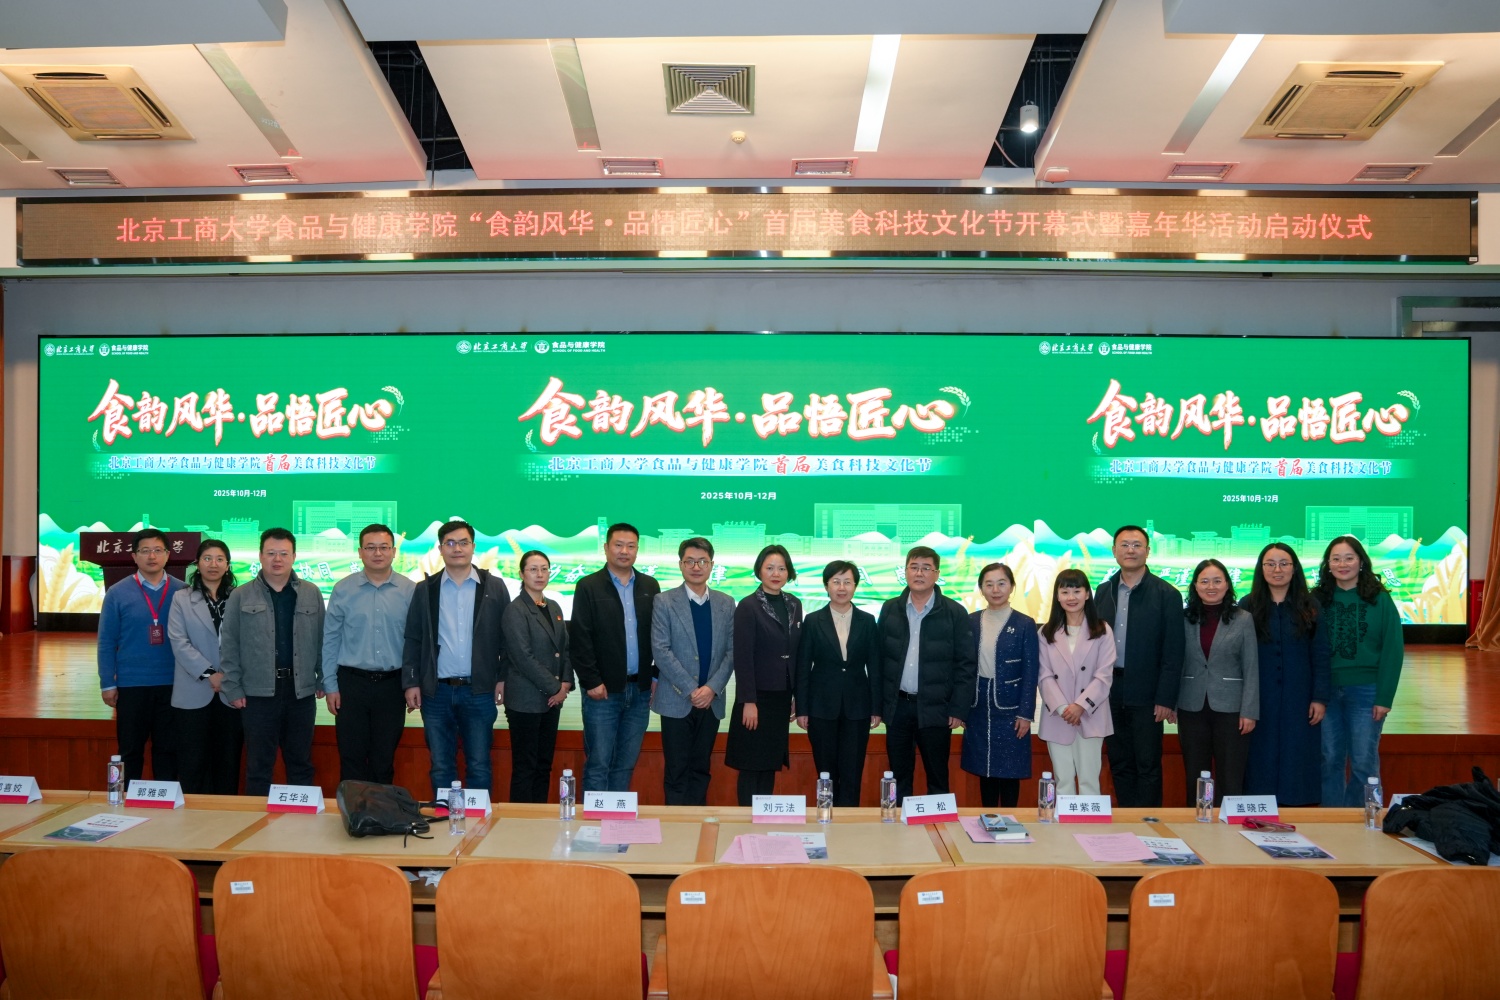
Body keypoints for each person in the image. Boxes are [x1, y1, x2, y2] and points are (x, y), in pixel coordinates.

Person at [402, 519, 509, 797]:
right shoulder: (425, 589)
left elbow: (507, 638)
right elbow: (413, 638)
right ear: (440, 549)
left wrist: (503, 677)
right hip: (436, 692)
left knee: (479, 764)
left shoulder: (494, 587)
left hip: (479, 691)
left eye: (463, 542)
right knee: (441, 765)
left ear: (473, 547)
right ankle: (444, 816)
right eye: (450, 543)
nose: (457, 548)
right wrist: (411, 682)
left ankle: (478, 819)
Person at [220, 528, 326, 797]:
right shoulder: (241, 595)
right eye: (271, 553)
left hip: (300, 692)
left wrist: (323, 677)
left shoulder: (311, 592)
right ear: (260, 556)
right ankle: (256, 822)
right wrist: (232, 687)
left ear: (294, 556)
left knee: (301, 763)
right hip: (257, 694)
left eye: (283, 553)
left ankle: (301, 819)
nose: (277, 559)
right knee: (258, 766)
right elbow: (229, 644)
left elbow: (322, 639)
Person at [1093, 525, 1185, 807]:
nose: (1130, 550)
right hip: (1110, 690)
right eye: (1124, 545)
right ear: (1114, 551)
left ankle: (1148, 823)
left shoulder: (1166, 594)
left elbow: (1174, 651)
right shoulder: (1103, 591)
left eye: (1136, 545)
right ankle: (1128, 821)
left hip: (1148, 693)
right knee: (1119, 762)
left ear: (1147, 551)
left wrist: (1166, 698)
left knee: (1148, 764)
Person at [878, 546, 976, 804]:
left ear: (937, 574)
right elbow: (879, 661)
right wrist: (879, 705)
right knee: (898, 776)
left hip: (937, 709)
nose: (919, 573)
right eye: (914, 567)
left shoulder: (955, 612)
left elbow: (966, 665)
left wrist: (958, 709)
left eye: (926, 568)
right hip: (898, 707)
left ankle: (937, 826)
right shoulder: (890, 609)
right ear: (905, 571)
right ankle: (898, 825)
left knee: (937, 776)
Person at [321, 524, 415, 785]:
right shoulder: (343, 589)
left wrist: (413, 682)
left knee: (383, 760)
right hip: (351, 684)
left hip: (392, 685)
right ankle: (353, 809)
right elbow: (330, 639)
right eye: (370, 548)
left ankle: (381, 809)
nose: (377, 553)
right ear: (360, 552)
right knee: (351, 757)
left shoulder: (410, 590)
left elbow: (415, 643)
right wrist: (330, 685)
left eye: (384, 547)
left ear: (394, 551)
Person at [569, 523, 660, 794]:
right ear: (606, 548)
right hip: (603, 692)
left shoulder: (649, 585)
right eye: (618, 545)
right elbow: (580, 638)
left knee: (625, 764)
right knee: (599, 763)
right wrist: (591, 681)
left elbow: (659, 636)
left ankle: (617, 817)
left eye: (631, 546)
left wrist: (655, 676)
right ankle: (594, 819)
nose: (624, 551)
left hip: (640, 691)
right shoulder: (588, 586)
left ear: (637, 550)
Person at [1314, 535, 1403, 807]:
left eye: (1349, 558)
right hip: (1326, 692)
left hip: (1367, 691)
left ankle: (1365, 820)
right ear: (1328, 564)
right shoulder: (1316, 600)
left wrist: (1384, 698)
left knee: (1364, 760)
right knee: (1329, 757)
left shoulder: (1380, 599)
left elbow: (1393, 650)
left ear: (1361, 562)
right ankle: (1332, 820)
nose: (1343, 564)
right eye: (1336, 559)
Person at [1241, 543, 1330, 806]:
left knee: (1298, 752)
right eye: (1270, 564)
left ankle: (1298, 807)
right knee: (1261, 753)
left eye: (1284, 563)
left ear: (1294, 568)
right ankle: (1259, 809)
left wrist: (1319, 697)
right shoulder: (1247, 606)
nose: (1277, 570)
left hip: (1300, 697)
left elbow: (1321, 654)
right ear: (1261, 569)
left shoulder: (1310, 606)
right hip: (1260, 696)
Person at [98, 528, 187, 784]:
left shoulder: (183, 592)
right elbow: (106, 641)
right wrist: (107, 683)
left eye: (158, 550)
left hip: (173, 683)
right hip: (132, 685)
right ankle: (124, 801)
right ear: (134, 556)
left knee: (168, 751)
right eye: (145, 551)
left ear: (168, 555)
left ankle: (166, 802)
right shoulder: (117, 593)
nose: (152, 556)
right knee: (130, 750)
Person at [651, 538, 735, 806]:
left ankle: (697, 822)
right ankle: (676, 826)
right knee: (676, 770)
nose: (696, 567)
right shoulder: (664, 601)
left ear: (711, 565)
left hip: (711, 701)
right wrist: (691, 689)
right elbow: (660, 650)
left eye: (702, 561)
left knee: (701, 768)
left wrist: (711, 689)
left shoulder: (726, 603)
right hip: (676, 700)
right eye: (690, 561)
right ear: (680, 565)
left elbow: (732, 651)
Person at [795, 560, 881, 808]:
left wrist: (876, 708)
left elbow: (875, 667)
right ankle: (826, 817)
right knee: (825, 770)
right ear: (826, 586)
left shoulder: (867, 621)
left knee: (853, 770)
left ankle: (849, 822)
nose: (841, 588)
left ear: (855, 586)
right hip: (821, 707)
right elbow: (803, 667)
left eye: (847, 582)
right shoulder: (813, 621)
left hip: (858, 708)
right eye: (836, 582)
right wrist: (802, 708)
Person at [1177, 558, 1258, 806]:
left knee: (1230, 775)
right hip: (1191, 706)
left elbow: (1251, 666)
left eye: (1217, 581)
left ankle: (1229, 822)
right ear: (1195, 585)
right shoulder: (1183, 618)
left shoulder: (1243, 618)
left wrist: (1249, 711)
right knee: (1195, 773)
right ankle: (1197, 821)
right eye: (1204, 581)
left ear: (1227, 584)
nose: (1210, 586)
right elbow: (1174, 662)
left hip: (1231, 709)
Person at [727, 544, 804, 805]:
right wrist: (749, 701)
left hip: (781, 698)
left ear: (788, 572)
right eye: (770, 568)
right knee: (751, 764)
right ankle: (746, 818)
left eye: (781, 568)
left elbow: (796, 653)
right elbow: (743, 657)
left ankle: (763, 816)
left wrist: (795, 695)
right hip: (756, 698)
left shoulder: (794, 604)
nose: (776, 573)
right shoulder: (748, 606)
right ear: (759, 570)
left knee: (770, 762)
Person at [960, 562, 1040, 809]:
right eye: (989, 584)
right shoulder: (971, 621)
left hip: (1011, 707)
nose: (995, 590)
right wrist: (960, 709)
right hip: (977, 706)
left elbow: (1031, 671)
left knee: (1010, 768)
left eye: (1001, 583)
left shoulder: (1025, 623)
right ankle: (989, 819)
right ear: (981, 589)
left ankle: (1009, 820)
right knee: (984, 767)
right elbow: (962, 667)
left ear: (1012, 586)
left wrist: (1025, 713)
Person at [168, 539, 242, 794]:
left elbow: (249, 642)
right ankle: (192, 813)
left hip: (231, 691)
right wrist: (210, 674)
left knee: (228, 761)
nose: (213, 564)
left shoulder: (239, 597)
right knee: (192, 762)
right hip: (193, 690)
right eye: (207, 558)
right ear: (197, 564)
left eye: (220, 559)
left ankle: (224, 813)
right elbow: (179, 642)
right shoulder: (181, 598)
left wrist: (228, 677)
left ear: (228, 565)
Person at [499, 550, 572, 804]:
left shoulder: (554, 606)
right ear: (521, 574)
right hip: (525, 701)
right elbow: (523, 657)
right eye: (533, 569)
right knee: (525, 767)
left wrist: (566, 683)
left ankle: (538, 817)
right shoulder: (515, 610)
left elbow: (564, 649)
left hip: (552, 701)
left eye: (544, 569)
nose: (539, 574)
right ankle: (520, 820)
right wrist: (555, 688)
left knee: (544, 765)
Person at [1037, 568, 1116, 796]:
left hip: (1091, 713)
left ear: (1087, 594)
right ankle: (1063, 821)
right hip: (1058, 716)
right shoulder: (1046, 632)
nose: (1071, 597)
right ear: (1057, 596)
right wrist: (1064, 708)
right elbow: (1044, 675)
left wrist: (1081, 705)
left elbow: (1104, 675)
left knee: (1090, 781)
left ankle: (1089, 821)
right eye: (1065, 592)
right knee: (1062, 781)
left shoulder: (1102, 630)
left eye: (1077, 591)